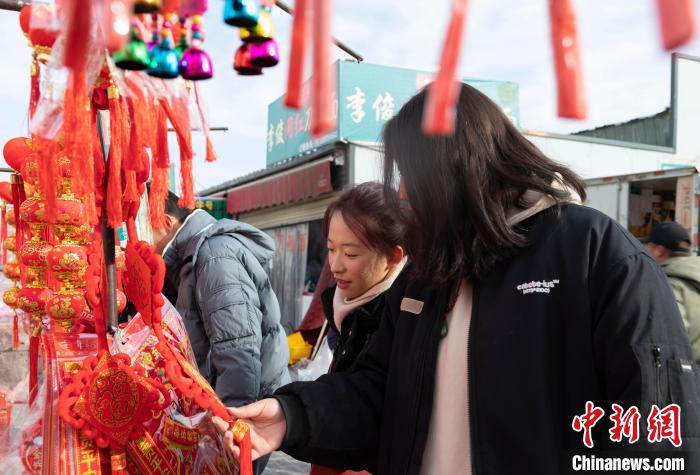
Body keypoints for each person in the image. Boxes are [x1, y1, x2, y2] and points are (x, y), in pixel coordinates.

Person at [213, 84, 700, 474]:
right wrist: (291, 416)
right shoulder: (427, 276)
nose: (403, 193)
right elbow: (378, 391)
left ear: (459, 169)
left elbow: (660, 435)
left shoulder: (595, 256)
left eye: (410, 173)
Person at [152, 190, 290, 474]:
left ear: (165, 222)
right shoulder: (188, 259)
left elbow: (238, 352)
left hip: (237, 418)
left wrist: (229, 440)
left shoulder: (214, 255)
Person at [311, 182, 406, 475]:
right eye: (331, 249)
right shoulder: (344, 306)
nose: (336, 265)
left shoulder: (403, 318)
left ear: (393, 257)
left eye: (350, 254)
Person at [642, 221, 700, 364]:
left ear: (659, 251)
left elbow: (673, 337)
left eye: (647, 246)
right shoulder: (694, 274)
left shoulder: (670, 285)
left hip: (691, 374)